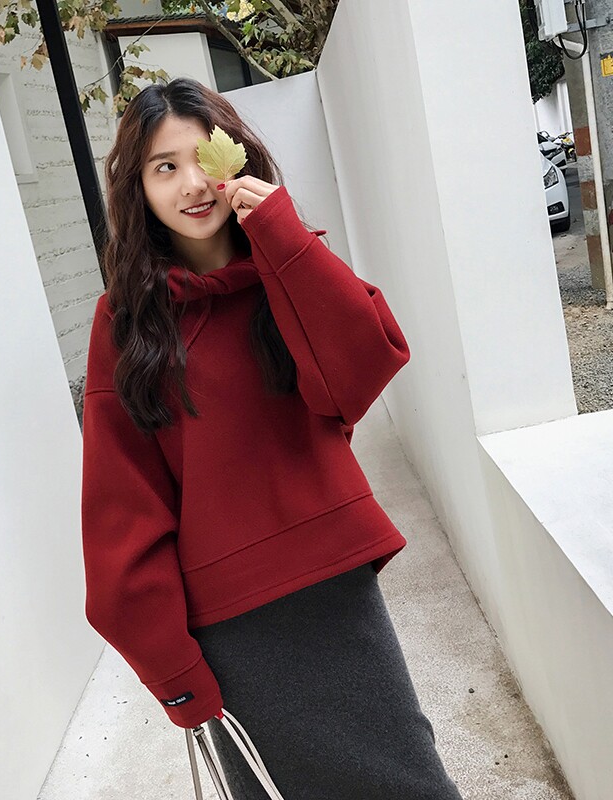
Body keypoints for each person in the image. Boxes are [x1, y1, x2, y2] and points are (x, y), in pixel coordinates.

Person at [80, 76, 464, 799]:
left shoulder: (287, 264)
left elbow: (361, 371)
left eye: (205, 157)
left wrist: (282, 236)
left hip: (335, 593)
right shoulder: (125, 322)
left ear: (238, 158)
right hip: (230, 628)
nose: (193, 184)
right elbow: (120, 503)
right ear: (139, 189)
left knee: (412, 785)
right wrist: (172, 671)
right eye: (164, 167)